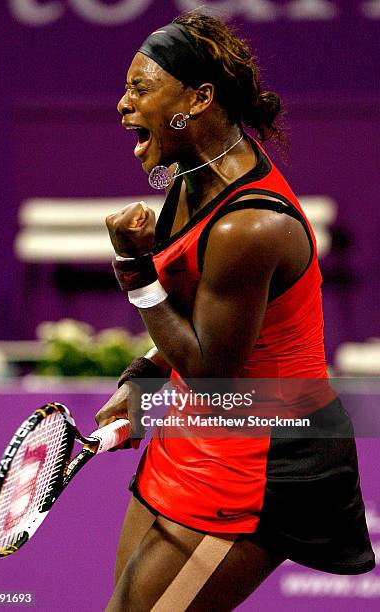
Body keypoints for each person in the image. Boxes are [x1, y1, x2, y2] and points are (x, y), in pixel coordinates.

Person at [95, 12, 375, 611]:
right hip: (195, 431)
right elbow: (198, 314)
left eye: (140, 88)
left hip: (265, 450)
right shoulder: (195, 174)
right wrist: (145, 376)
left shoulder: (250, 226)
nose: (122, 104)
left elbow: (210, 367)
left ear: (197, 99)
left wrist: (133, 269)